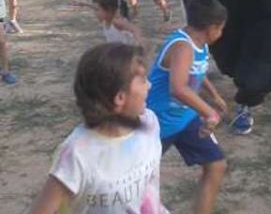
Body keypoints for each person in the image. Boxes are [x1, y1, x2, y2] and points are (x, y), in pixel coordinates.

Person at [29, 43, 167, 214]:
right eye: (143, 80)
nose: (150, 85)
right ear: (120, 98)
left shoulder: (149, 122)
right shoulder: (77, 154)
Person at [147, 0, 228, 214]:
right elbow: (179, 88)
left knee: (216, 166)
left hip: (184, 120)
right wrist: (210, 113)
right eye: (220, 29)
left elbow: (197, 73)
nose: (220, 34)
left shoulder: (199, 43)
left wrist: (214, 95)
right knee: (135, 182)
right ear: (211, 27)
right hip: (158, 125)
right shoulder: (182, 46)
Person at [72, 0, 142, 45]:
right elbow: (96, 7)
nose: (95, 13)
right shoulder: (106, 20)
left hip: (127, 54)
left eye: (97, 10)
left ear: (109, 10)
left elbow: (135, 29)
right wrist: (84, 4)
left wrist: (138, 44)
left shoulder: (116, 22)